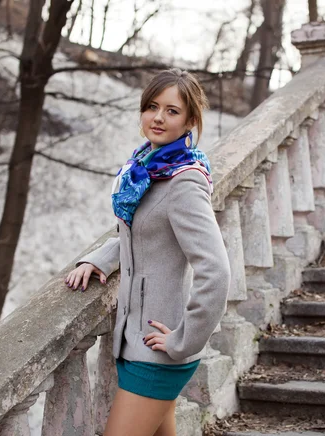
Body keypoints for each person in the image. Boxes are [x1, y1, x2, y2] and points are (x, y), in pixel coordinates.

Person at [64, 68, 231, 436]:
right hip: (135, 340)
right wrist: (101, 258)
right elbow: (141, 233)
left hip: (158, 350)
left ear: (189, 120)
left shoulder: (184, 179)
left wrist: (182, 340)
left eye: (172, 111)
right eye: (152, 106)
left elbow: (216, 271)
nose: (158, 117)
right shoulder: (144, 168)